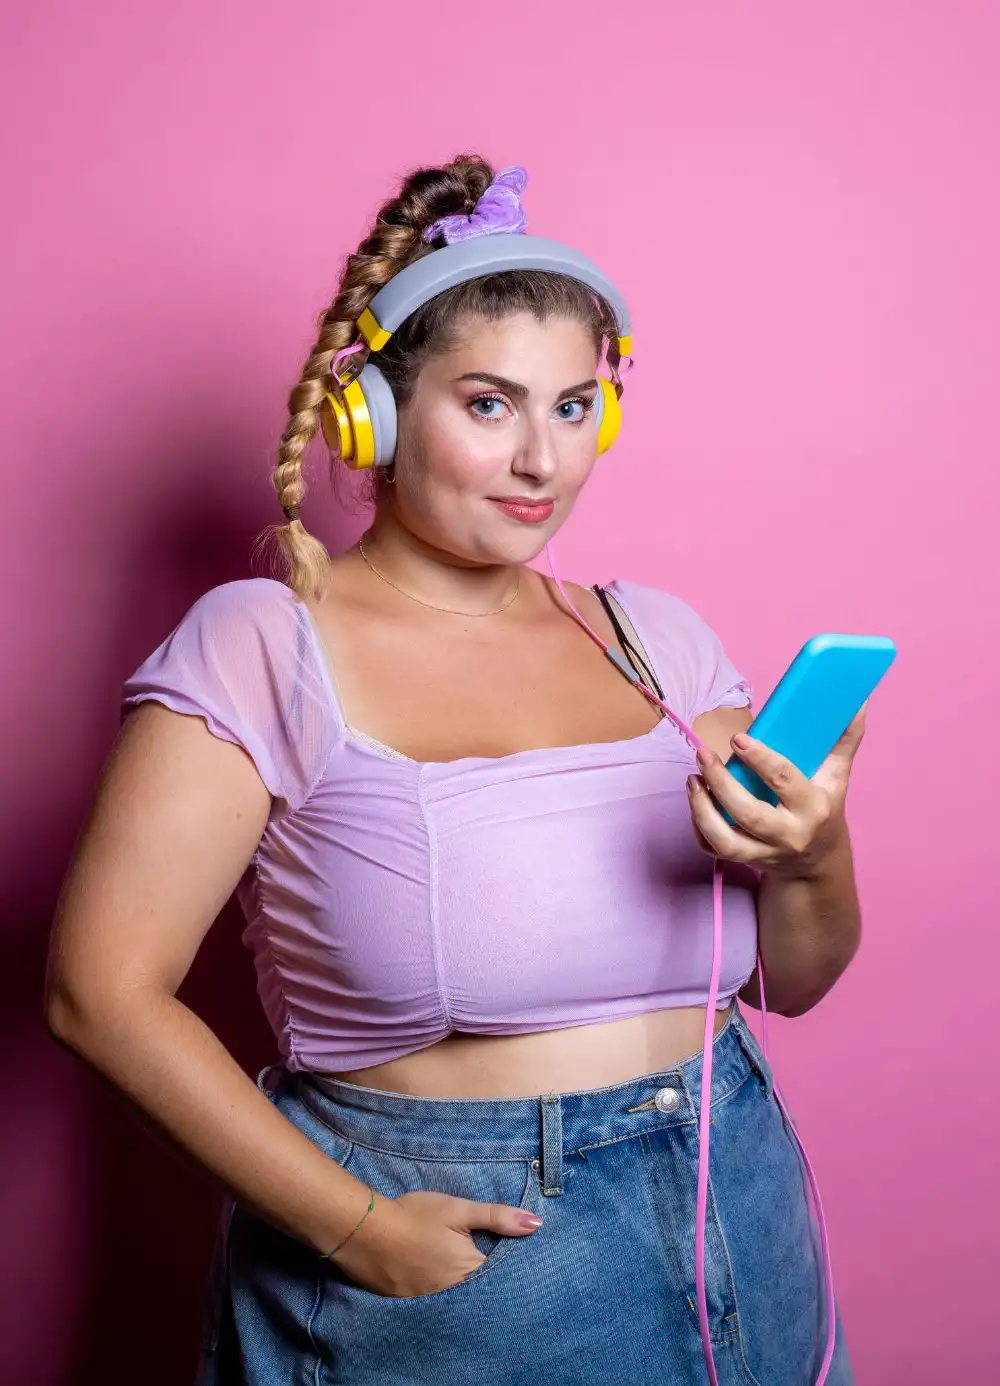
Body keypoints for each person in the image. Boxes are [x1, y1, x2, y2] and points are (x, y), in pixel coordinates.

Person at [46, 153, 866, 1385]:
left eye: (574, 407)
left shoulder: (657, 638)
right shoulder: (266, 644)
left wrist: (812, 850)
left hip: (738, 1211)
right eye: (489, 405)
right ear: (369, 412)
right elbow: (96, 994)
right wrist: (354, 1228)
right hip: (463, 1275)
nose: (543, 460)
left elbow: (793, 983)